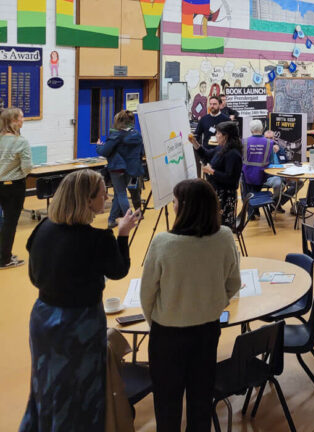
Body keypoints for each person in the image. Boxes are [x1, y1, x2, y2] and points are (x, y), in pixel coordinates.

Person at [21, 169, 139, 430]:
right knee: (80, 392)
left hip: (43, 318)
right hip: (80, 325)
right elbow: (118, 270)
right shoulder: (97, 240)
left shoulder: (43, 229)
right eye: (102, 193)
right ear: (87, 200)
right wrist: (123, 235)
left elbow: (34, 276)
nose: (106, 197)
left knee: (47, 384)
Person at [141, 179, 240, 432]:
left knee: (167, 403)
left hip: (167, 334)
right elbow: (233, 283)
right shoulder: (225, 237)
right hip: (207, 330)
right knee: (201, 401)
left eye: (174, 202)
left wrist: (161, 319)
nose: (172, 206)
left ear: (184, 207)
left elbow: (147, 294)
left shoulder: (163, 243)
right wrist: (212, 306)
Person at [96, 109, 144, 229]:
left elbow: (105, 151)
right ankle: (111, 220)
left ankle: (130, 217)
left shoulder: (117, 135)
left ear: (118, 121)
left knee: (121, 193)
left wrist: (98, 146)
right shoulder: (137, 135)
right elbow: (141, 152)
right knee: (118, 193)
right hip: (131, 168)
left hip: (117, 169)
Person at [189, 120, 242, 225]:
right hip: (216, 192)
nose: (216, 135)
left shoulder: (233, 154)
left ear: (226, 136)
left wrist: (212, 171)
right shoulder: (221, 148)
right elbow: (207, 154)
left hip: (225, 197)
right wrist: (194, 142)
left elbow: (231, 178)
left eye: (218, 133)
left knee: (219, 226)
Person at [0, 107, 32, 269]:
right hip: (13, 186)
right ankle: (5, 258)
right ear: (13, 121)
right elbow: (27, 167)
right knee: (10, 223)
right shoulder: (21, 141)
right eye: (21, 117)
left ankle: (2, 253)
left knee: (3, 221)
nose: (23, 120)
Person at [242, 119, 285, 204]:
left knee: (248, 196)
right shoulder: (270, 143)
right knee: (256, 194)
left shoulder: (244, 141)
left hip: (247, 175)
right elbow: (271, 161)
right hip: (262, 176)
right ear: (262, 129)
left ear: (251, 130)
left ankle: (252, 212)